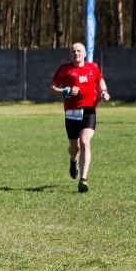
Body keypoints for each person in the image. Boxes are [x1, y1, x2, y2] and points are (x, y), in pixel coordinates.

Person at [50, 42, 110, 193]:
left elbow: (99, 80)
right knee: (74, 147)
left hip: (90, 110)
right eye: (72, 51)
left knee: (85, 142)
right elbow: (52, 89)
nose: (76, 53)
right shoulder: (65, 69)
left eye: (78, 51)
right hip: (72, 112)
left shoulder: (93, 67)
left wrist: (103, 91)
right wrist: (66, 90)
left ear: (84, 53)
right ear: (70, 54)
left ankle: (83, 179)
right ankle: (73, 160)